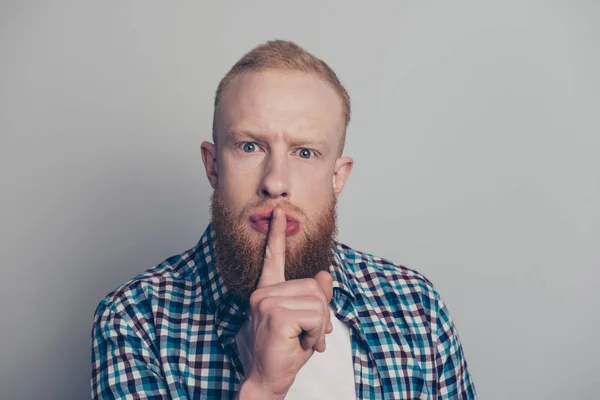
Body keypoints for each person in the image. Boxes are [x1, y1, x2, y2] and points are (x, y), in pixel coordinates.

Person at [91, 40, 477, 399]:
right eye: (249, 146)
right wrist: (263, 386)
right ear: (213, 167)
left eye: (305, 153)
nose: (275, 183)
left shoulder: (415, 308)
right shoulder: (135, 319)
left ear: (337, 176)